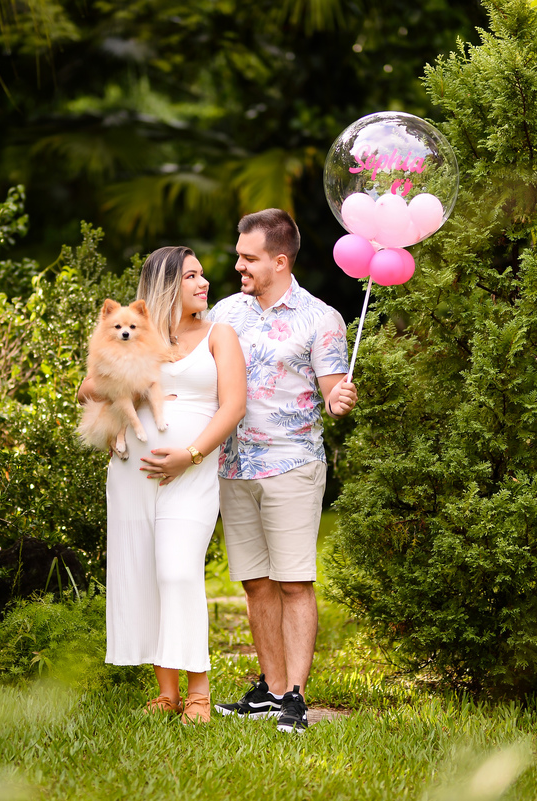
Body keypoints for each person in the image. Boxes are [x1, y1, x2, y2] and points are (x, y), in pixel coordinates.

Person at [79, 246, 246, 724]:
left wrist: (189, 455)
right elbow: (87, 388)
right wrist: (126, 389)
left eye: (202, 275)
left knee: (177, 570)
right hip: (134, 473)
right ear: (168, 285)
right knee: (146, 575)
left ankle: (199, 692)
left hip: (191, 470)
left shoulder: (220, 335)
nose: (203, 283)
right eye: (191, 276)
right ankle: (166, 693)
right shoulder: (135, 333)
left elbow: (232, 407)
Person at [208, 209, 357, 733]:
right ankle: (269, 690)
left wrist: (339, 398)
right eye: (239, 255)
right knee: (254, 582)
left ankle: (295, 694)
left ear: (279, 260)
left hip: (291, 464)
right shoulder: (226, 311)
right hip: (232, 463)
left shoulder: (323, 319)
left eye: (248, 258)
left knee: (294, 582)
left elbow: (333, 391)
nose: (239, 266)